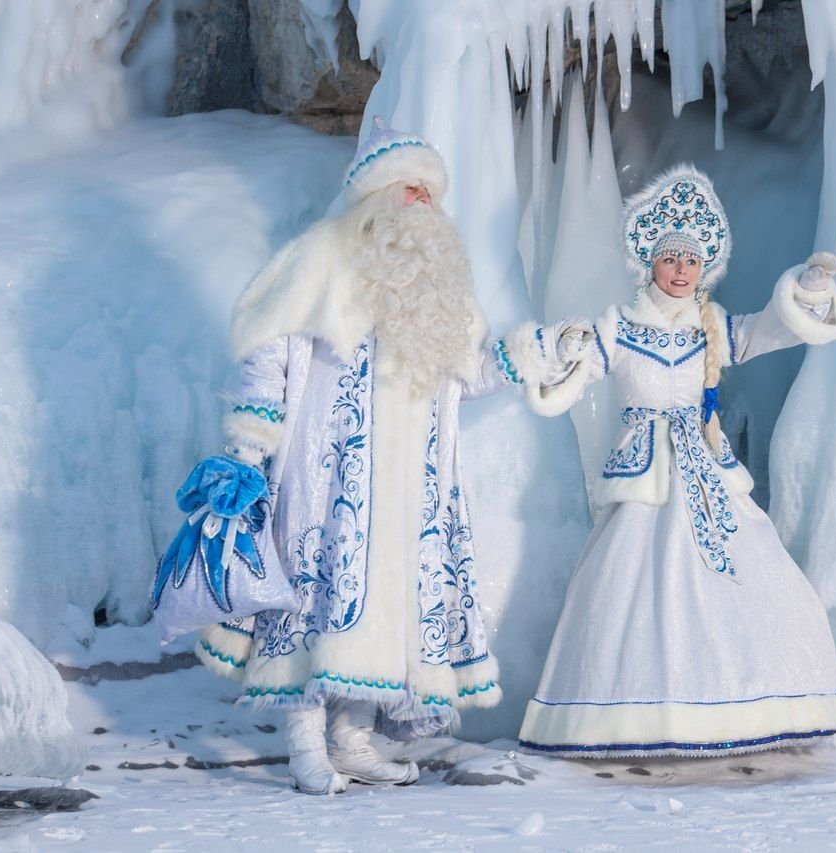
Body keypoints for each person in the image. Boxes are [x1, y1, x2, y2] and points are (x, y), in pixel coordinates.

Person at [193, 118, 580, 793]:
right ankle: (305, 741)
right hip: (324, 475)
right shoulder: (320, 259)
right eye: (411, 188)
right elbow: (267, 350)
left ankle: (353, 737)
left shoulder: (440, 290)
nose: (424, 202)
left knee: (382, 604)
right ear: (377, 195)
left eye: (431, 191)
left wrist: (532, 354)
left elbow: (473, 369)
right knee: (313, 596)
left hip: (409, 488)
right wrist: (250, 447)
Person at [515, 164, 836, 758]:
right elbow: (570, 368)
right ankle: (625, 714)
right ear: (651, 262)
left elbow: (774, 329)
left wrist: (810, 291)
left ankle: (746, 705)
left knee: (753, 578)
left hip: (707, 474)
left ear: (704, 268)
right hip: (645, 481)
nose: (681, 271)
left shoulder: (715, 326)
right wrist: (563, 349)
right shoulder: (618, 328)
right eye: (672, 259)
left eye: (692, 261)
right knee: (630, 593)